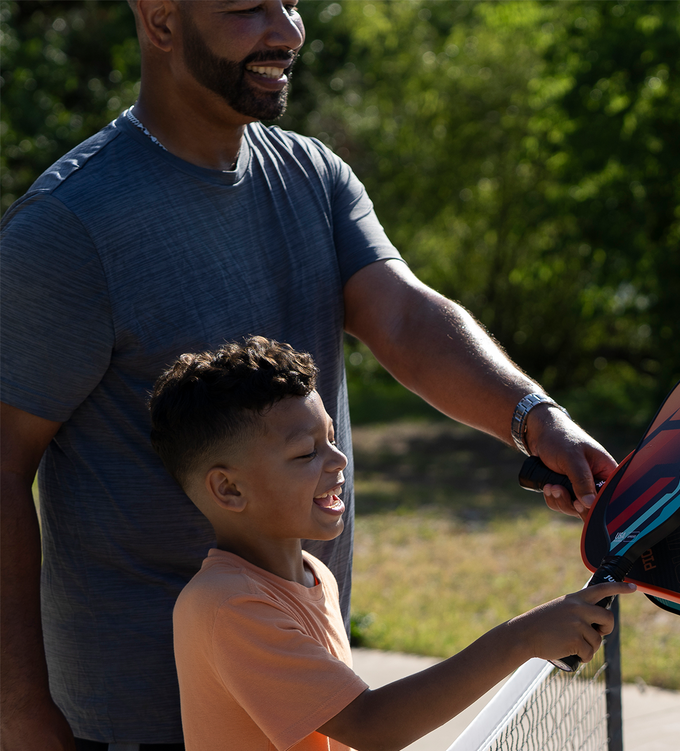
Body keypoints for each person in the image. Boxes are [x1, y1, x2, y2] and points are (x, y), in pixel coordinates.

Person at [0, 1, 608, 748]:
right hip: (132, 723)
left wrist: (535, 416)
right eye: (247, 8)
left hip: (298, 719)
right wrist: (23, 716)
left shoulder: (314, 176)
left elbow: (407, 319)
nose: (287, 30)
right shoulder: (67, 228)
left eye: (289, 2)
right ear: (161, 22)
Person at [150, 337, 630, 751]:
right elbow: (371, 726)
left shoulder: (315, 575)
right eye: (305, 452)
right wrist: (522, 636)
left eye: (332, 440)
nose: (338, 460)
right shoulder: (225, 606)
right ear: (229, 490)